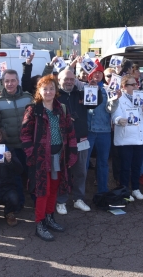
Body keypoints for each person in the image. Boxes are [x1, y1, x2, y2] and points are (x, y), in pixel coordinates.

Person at [20, 75, 77, 242]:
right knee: (42, 191)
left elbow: (70, 133)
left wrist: (71, 153)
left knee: (54, 189)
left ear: (55, 90)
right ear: (39, 90)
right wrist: (32, 154)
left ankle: (50, 218)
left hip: (59, 156)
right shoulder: (33, 110)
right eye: (45, 88)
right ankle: (40, 223)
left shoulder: (62, 109)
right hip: (41, 158)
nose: (49, 91)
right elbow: (24, 135)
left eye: (51, 88)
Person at [55, 69, 98, 214]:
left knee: (80, 171)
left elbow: (94, 104)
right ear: (59, 80)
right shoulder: (54, 96)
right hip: (61, 142)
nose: (69, 82)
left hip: (81, 139)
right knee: (62, 172)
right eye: (66, 79)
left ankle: (78, 199)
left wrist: (93, 88)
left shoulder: (80, 94)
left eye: (72, 79)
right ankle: (61, 200)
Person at [0, 69, 34, 210]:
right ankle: (19, 204)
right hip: (10, 146)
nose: (10, 84)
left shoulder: (28, 98)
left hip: (28, 145)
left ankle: (37, 201)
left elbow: (36, 120)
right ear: (2, 83)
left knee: (32, 175)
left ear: (18, 81)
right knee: (15, 177)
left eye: (13, 80)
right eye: (7, 81)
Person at [111, 75, 143, 200]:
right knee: (125, 166)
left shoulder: (141, 97)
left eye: (136, 84)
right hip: (126, 138)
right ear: (124, 87)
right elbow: (115, 115)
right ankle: (125, 190)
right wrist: (119, 120)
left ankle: (135, 188)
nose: (136, 86)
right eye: (132, 84)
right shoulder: (119, 99)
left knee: (137, 165)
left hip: (140, 137)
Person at [86, 60, 114, 194]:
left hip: (104, 131)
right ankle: (80, 194)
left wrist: (115, 99)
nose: (97, 75)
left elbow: (111, 110)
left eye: (99, 73)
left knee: (103, 163)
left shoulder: (108, 90)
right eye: (94, 72)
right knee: (84, 163)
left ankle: (103, 191)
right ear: (89, 74)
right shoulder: (84, 88)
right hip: (88, 131)